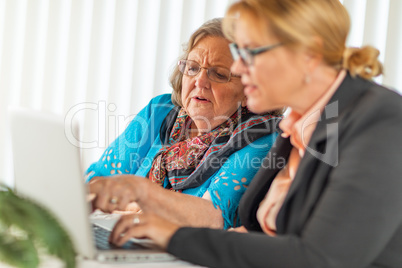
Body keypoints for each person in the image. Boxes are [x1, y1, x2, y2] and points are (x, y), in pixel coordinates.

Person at [105, 0, 402, 267]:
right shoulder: (298, 125)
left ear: (309, 55)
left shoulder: (382, 120)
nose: (237, 67)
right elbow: (260, 235)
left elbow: (321, 258)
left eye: (251, 52)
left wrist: (174, 237)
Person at [88, 18, 282, 230]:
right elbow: (98, 181)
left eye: (218, 74)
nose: (199, 81)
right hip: (125, 237)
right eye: (193, 68)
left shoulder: (262, 137)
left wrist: (140, 199)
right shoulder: (160, 111)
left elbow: (215, 218)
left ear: (249, 88)